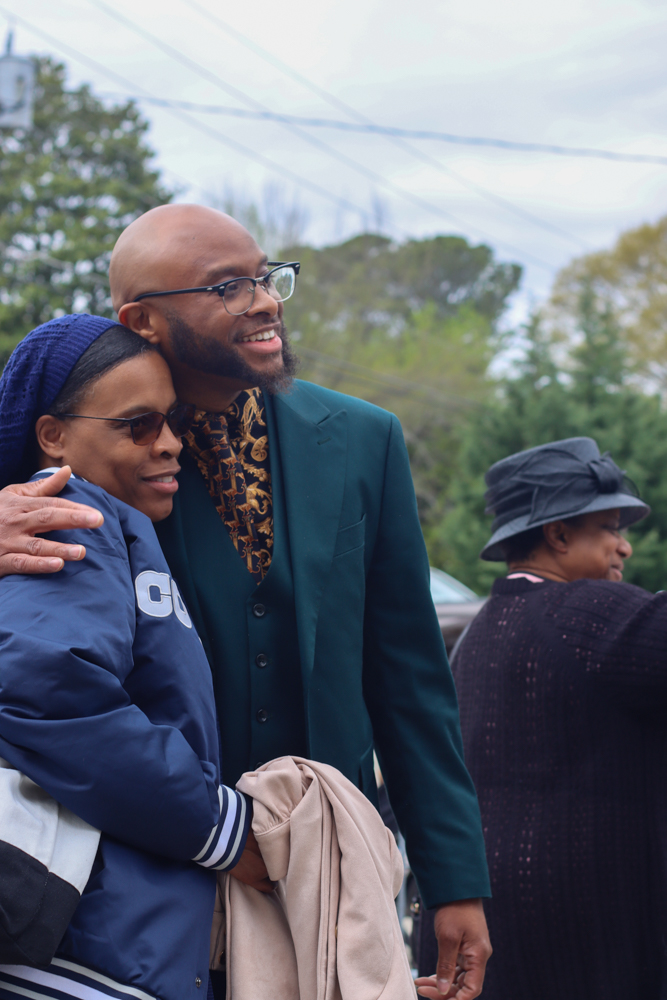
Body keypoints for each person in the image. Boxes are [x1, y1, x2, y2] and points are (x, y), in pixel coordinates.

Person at [0, 205, 491, 1000]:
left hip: (319, 874)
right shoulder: (98, 449)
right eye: (227, 287)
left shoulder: (363, 438)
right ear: (141, 320)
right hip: (139, 877)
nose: (265, 301)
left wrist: (454, 877)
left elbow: (408, 678)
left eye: (266, 277)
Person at [0, 315, 255, 1000]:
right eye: (137, 425)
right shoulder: (70, 516)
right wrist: (218, 827)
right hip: (79, 951)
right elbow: (41, 688)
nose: (169, 443)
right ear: (53, 435)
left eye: (173, 421)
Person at [448, 436, 667, 1000]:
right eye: (610, 528)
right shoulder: (595, 614)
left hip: (485, 938)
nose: (625, 547)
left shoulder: (471, 640)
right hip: (593, 949)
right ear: (559, 535)